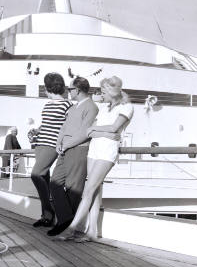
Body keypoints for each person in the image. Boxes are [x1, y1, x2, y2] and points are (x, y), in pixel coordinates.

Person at [61, 76, 134, 242]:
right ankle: (92, 232)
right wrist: (105, 132)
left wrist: (99, 130)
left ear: (111, 91)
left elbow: (115, 128)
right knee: (94, 191)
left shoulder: (127, 107)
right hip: (94, 150)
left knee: (88, 190)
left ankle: (72, 229)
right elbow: (90, 131)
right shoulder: (104, 108)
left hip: (107, 153)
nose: (101, 95)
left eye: (103, 92)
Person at [47, 76, 100, 236]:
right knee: (55, 183)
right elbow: (63, 128)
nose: (67, 91)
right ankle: (65, 220)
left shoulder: (91, 107)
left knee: (73, 189)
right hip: (65, 150)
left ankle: (68, 228)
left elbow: (85, 132)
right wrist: (58, 143)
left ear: (77, 90)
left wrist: (67, 144)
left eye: (70, 89)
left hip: (79, 150)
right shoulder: (72, 107)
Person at [31, 72, 73, 227]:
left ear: (49, 87)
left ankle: (50, 206)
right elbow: (47, 124)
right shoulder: (48, 104)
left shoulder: (67, 105)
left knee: (36, 174)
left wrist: (64, 143)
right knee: (44, 177)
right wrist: (37, 131)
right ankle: (47, 217)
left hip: (52, 145)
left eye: (45, 86)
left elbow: (69, 125)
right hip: (40, 143)